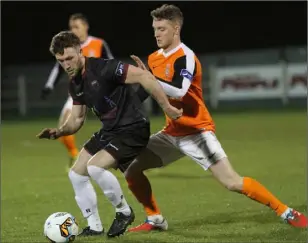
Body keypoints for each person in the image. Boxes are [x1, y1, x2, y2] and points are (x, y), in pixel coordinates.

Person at [124, 4, 308, 232]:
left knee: (232, 182)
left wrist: (148, 79)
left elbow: (180, 91)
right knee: (131, 167)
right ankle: (155, 219)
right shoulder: (153, 58)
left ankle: (285, 211)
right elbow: (147, 91)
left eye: (161, 28)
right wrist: (124, 103)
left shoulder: (186, 56)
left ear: (176, 28)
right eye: (154, 28)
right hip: (172, 133)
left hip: (197, 132)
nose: (156, 34)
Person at [36, 30, 182, 238]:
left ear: (80, 51)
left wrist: (166, 106)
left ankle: (124, 212)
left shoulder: (104, 68)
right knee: (76, 174)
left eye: (69, 58)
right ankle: (95, 226)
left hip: (133, 128)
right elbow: (77, 120)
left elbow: (143, 76)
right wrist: (58, 131)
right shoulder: (75, 83)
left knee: (95, 167)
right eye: (61, 61)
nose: (66, 64)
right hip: (111, 131)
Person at [40, 13, 114, 169]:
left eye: (76, 27)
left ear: (85, 26)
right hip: (77, 94)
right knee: (63, 128)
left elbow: (111, 64)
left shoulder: (98, 44)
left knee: (116, 126)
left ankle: (127, 157)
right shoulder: (68, 48)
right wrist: (49, 86)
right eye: (71, 27)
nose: (73, 30)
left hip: (98, 93)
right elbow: (58, 69)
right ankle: (75, 155)